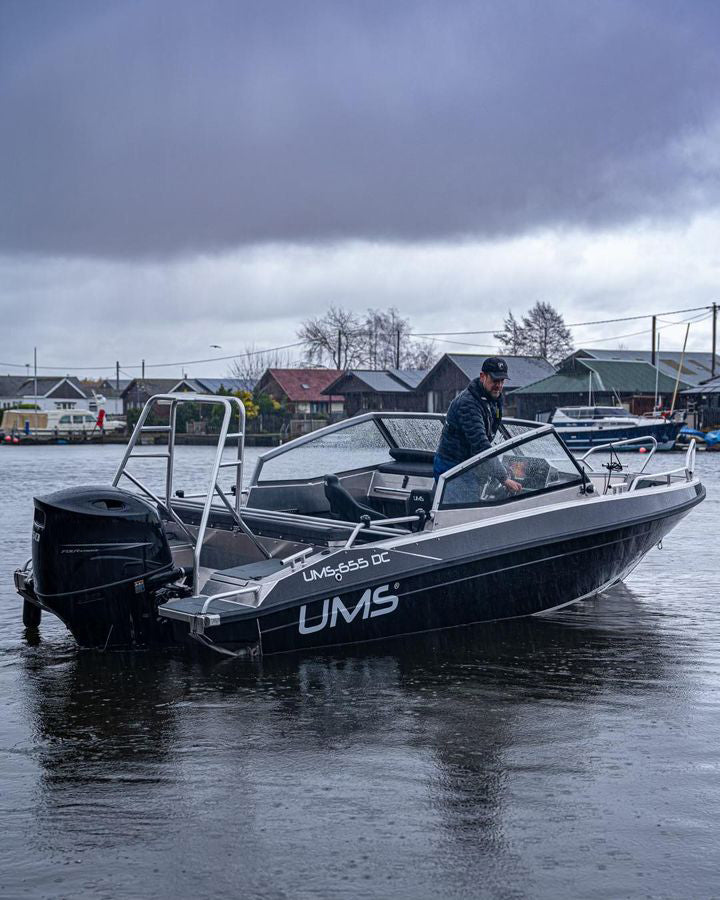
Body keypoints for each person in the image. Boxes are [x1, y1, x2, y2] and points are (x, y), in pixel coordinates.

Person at [434, 356, 522, 494]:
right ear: (482, 376)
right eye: (495, 380)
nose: (499, 385)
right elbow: (481, 444)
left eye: (502, 381)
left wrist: (501, 467)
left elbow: (492, 431)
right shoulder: (468, 404)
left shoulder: (493, 398)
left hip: (470, 465)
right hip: (452, 468)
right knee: (460, 512)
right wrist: (503, 478)